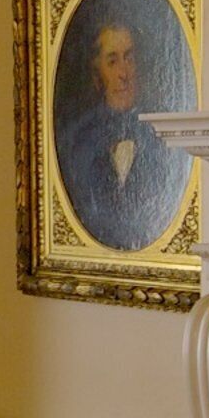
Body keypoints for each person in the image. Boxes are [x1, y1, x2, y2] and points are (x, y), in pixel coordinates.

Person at [55, 13, 185, 251]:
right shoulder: (78, 138)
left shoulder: (166, 132)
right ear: (98, 73)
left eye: (130, 58)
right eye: (112, 61)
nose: (123, 73)